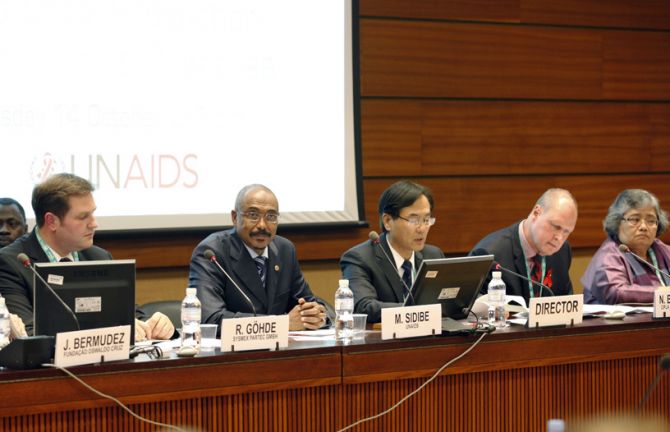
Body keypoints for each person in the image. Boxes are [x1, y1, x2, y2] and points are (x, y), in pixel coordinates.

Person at [0, 173, 174, 341]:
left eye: (93, 213)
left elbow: (130, 315)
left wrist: (153, 324)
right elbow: (28, 333)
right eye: (83, 217)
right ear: (52, 221)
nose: (94, 223)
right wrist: (109, 333)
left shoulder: (99, 256)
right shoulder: (12, 263)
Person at [188, 184, 326, 331]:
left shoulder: (285, 250)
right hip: (231, 352)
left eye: (271, 217)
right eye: (253, 215)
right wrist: (281, 324)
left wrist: (317, 316)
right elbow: (210, 319)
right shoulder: (212, 253)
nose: (262, 225)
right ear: (235, 217)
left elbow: (307, 303)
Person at [340, 180, 445, 323]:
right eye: (414, 220)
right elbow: (364, 307)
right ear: (388, 221)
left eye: (426, 220)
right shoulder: (360, 258)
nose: (421, 228)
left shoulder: (433, 255)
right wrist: (420, 311)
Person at [470, 188, 578, 302]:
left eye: (567, 232)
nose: (559, 238)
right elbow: (470, 311)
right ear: (537, 213)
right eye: (556, 226)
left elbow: (566, 303)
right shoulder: (489, 254)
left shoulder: (562, 252)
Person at [581, 189, 670, 304]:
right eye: (634, 219)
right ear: (617, 222)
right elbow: (616, 293)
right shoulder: (608, 255)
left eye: (651, 220)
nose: (643, 226)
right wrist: (662, 293)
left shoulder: (662, 250)